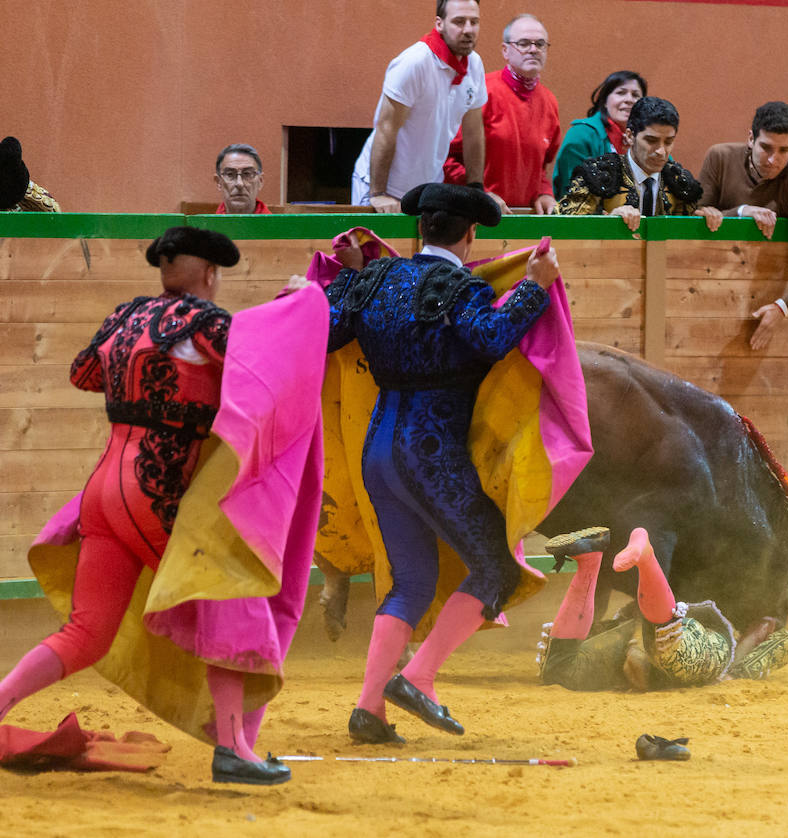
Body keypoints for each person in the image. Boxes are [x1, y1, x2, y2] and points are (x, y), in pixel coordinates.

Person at [0, 226, 295, 787]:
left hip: (104, 488)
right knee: (229, 591)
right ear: (210, 273)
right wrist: (291, 310)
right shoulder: (207, 323)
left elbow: (83, 373)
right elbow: (263, 372)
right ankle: (234, 748)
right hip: (155, 487)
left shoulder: (125, 316)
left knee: (89, 630)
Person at [324, 183, 560, 744]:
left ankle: (369, 710)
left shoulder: (376, 280)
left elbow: (329, 331)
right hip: (430, 452)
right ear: (471, 234)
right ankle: (420, 676)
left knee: (411, 580)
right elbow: (492, 338)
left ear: (420, 230)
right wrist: (533, 288)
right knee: (496, 567)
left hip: (378, 449)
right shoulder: (458, 286)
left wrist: (352, 274)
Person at [536, 527, 788, 692]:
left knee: (559, 668)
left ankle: (589, 558)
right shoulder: (750, 599)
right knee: (669, 649)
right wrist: (735, 671)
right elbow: (771, 631)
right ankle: (646, 556)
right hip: (674, 631)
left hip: (641, 625)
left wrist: (570, 638)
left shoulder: (715, 556)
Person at [697, 101, 788, 349]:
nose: (774, 160)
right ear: (751, 138)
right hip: (701, 288)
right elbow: (690, 218)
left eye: (784, 151)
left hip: (757, 302)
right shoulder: (719, 157)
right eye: (766, 147)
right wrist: (741, 212)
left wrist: (782, 307)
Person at [351, 0, 489, 212]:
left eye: (474, 22)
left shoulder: (475, 64)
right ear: (439, 24)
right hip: (381, 188)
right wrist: (378, 194)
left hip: (426, 190)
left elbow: (473, 131)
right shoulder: (414, 62)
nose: (468, 30)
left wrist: (476, 188)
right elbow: (386, 128)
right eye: (459, 22)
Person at [442, 14, 559, 213]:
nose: (533, 49)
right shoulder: (480, 92)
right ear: (505, 51)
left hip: (524, 220)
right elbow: (446, 158)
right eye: (523, 43)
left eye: (540, 44)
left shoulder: (549, 101)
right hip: (473, 215)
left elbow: (540, 168)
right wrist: (479, 193)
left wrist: (544, 192)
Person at [556, 96, 722, 233]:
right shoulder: (598, 174)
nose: (661, 151)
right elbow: (562, 226)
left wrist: (705, 218)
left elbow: (686, 238)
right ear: (630, 136)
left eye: (668, 142)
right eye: (651, 140)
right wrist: (606, 222)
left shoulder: (680, 183)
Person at [551, 70, 645, 199]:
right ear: (605, 101)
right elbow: (571, 194)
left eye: (635, 95)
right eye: (621, 93)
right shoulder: (581, 135)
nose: (629, 99)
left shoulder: (649, 139)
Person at [214, 143, 270, 214]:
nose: (239, 183)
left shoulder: (276, 225)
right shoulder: (207, 224)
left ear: (260, 181)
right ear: (218, 182)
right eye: (230, 174)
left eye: (247, 174)